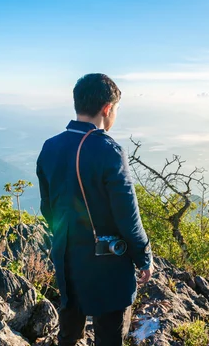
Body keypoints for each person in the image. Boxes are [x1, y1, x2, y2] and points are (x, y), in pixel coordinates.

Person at [36, 73, 153, 346]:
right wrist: (143, 256)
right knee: (109, 337)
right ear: (107, 108)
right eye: (116, 110)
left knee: (68, 334)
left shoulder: (50, 147)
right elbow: (128, 216)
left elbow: (47, 208)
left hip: (66, 258)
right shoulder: (108, 150)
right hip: (107, 264)